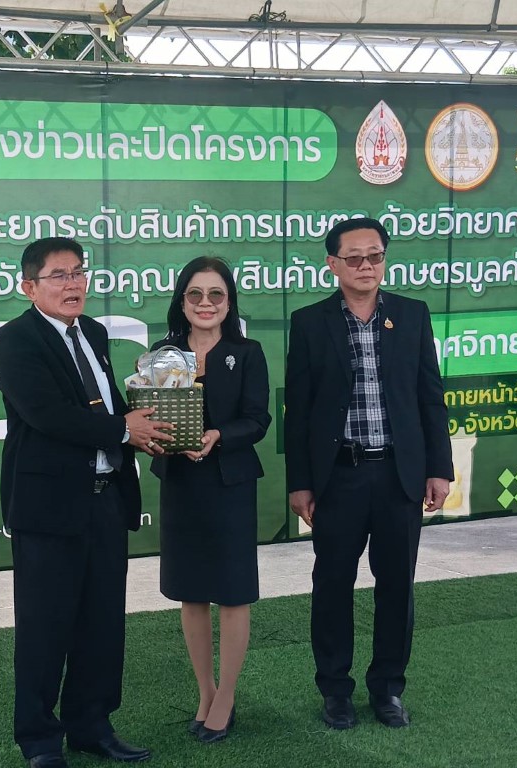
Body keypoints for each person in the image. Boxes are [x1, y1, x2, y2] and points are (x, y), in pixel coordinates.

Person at [0, 237, 173, 768]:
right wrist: (123, 429)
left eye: (78, 272)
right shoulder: (16, 339)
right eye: (59, 275)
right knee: (44, 628)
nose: (73, 284)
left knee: (102, 624)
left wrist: (145, 427)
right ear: (29, 287)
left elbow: (108, 406)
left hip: (106, 500)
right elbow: (46, 414)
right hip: (48, 508)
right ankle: (40, 741)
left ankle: (91, 726)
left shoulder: (92, 332)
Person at [284, 217, 453, 730]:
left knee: (397, 586)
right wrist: (300, 482)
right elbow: (299, 409)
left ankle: (388, 689)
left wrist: (439, 469)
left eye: (375, 255)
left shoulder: (412, 314)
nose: (366, 266)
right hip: (339, 477)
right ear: (332, 264)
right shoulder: (309, 322)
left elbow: (430, 396)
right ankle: (335, 690)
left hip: (399, 475)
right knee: (332, 584)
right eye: (354, 257)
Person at [149, 256, 270, 744]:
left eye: (216, 294)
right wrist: (156, 438)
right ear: (182, 301)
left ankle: (227, 697)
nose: (206, 303)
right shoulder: (162, 355)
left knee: (233, 592)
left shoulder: (248, 352)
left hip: (230, 485)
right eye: (195, 294)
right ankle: (206, 692)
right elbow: (149, 414)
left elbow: (258, 420)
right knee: (191, 591)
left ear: (229, 301)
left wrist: (218, 435)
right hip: (181, 484)